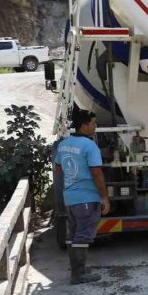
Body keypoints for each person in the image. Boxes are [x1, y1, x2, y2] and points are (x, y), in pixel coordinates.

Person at [53, 110, 110, 284]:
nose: (95, 126)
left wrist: (73, 176)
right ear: (84, 125)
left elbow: (58, 168)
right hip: (86, 197)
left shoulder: (64, 144)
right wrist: (104, 198)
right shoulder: (89, 146)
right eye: (93, 123)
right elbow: (97, 173)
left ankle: (78, 271)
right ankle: (78, 274)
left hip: (70, 197)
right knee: (83, 236)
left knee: (74, 234)